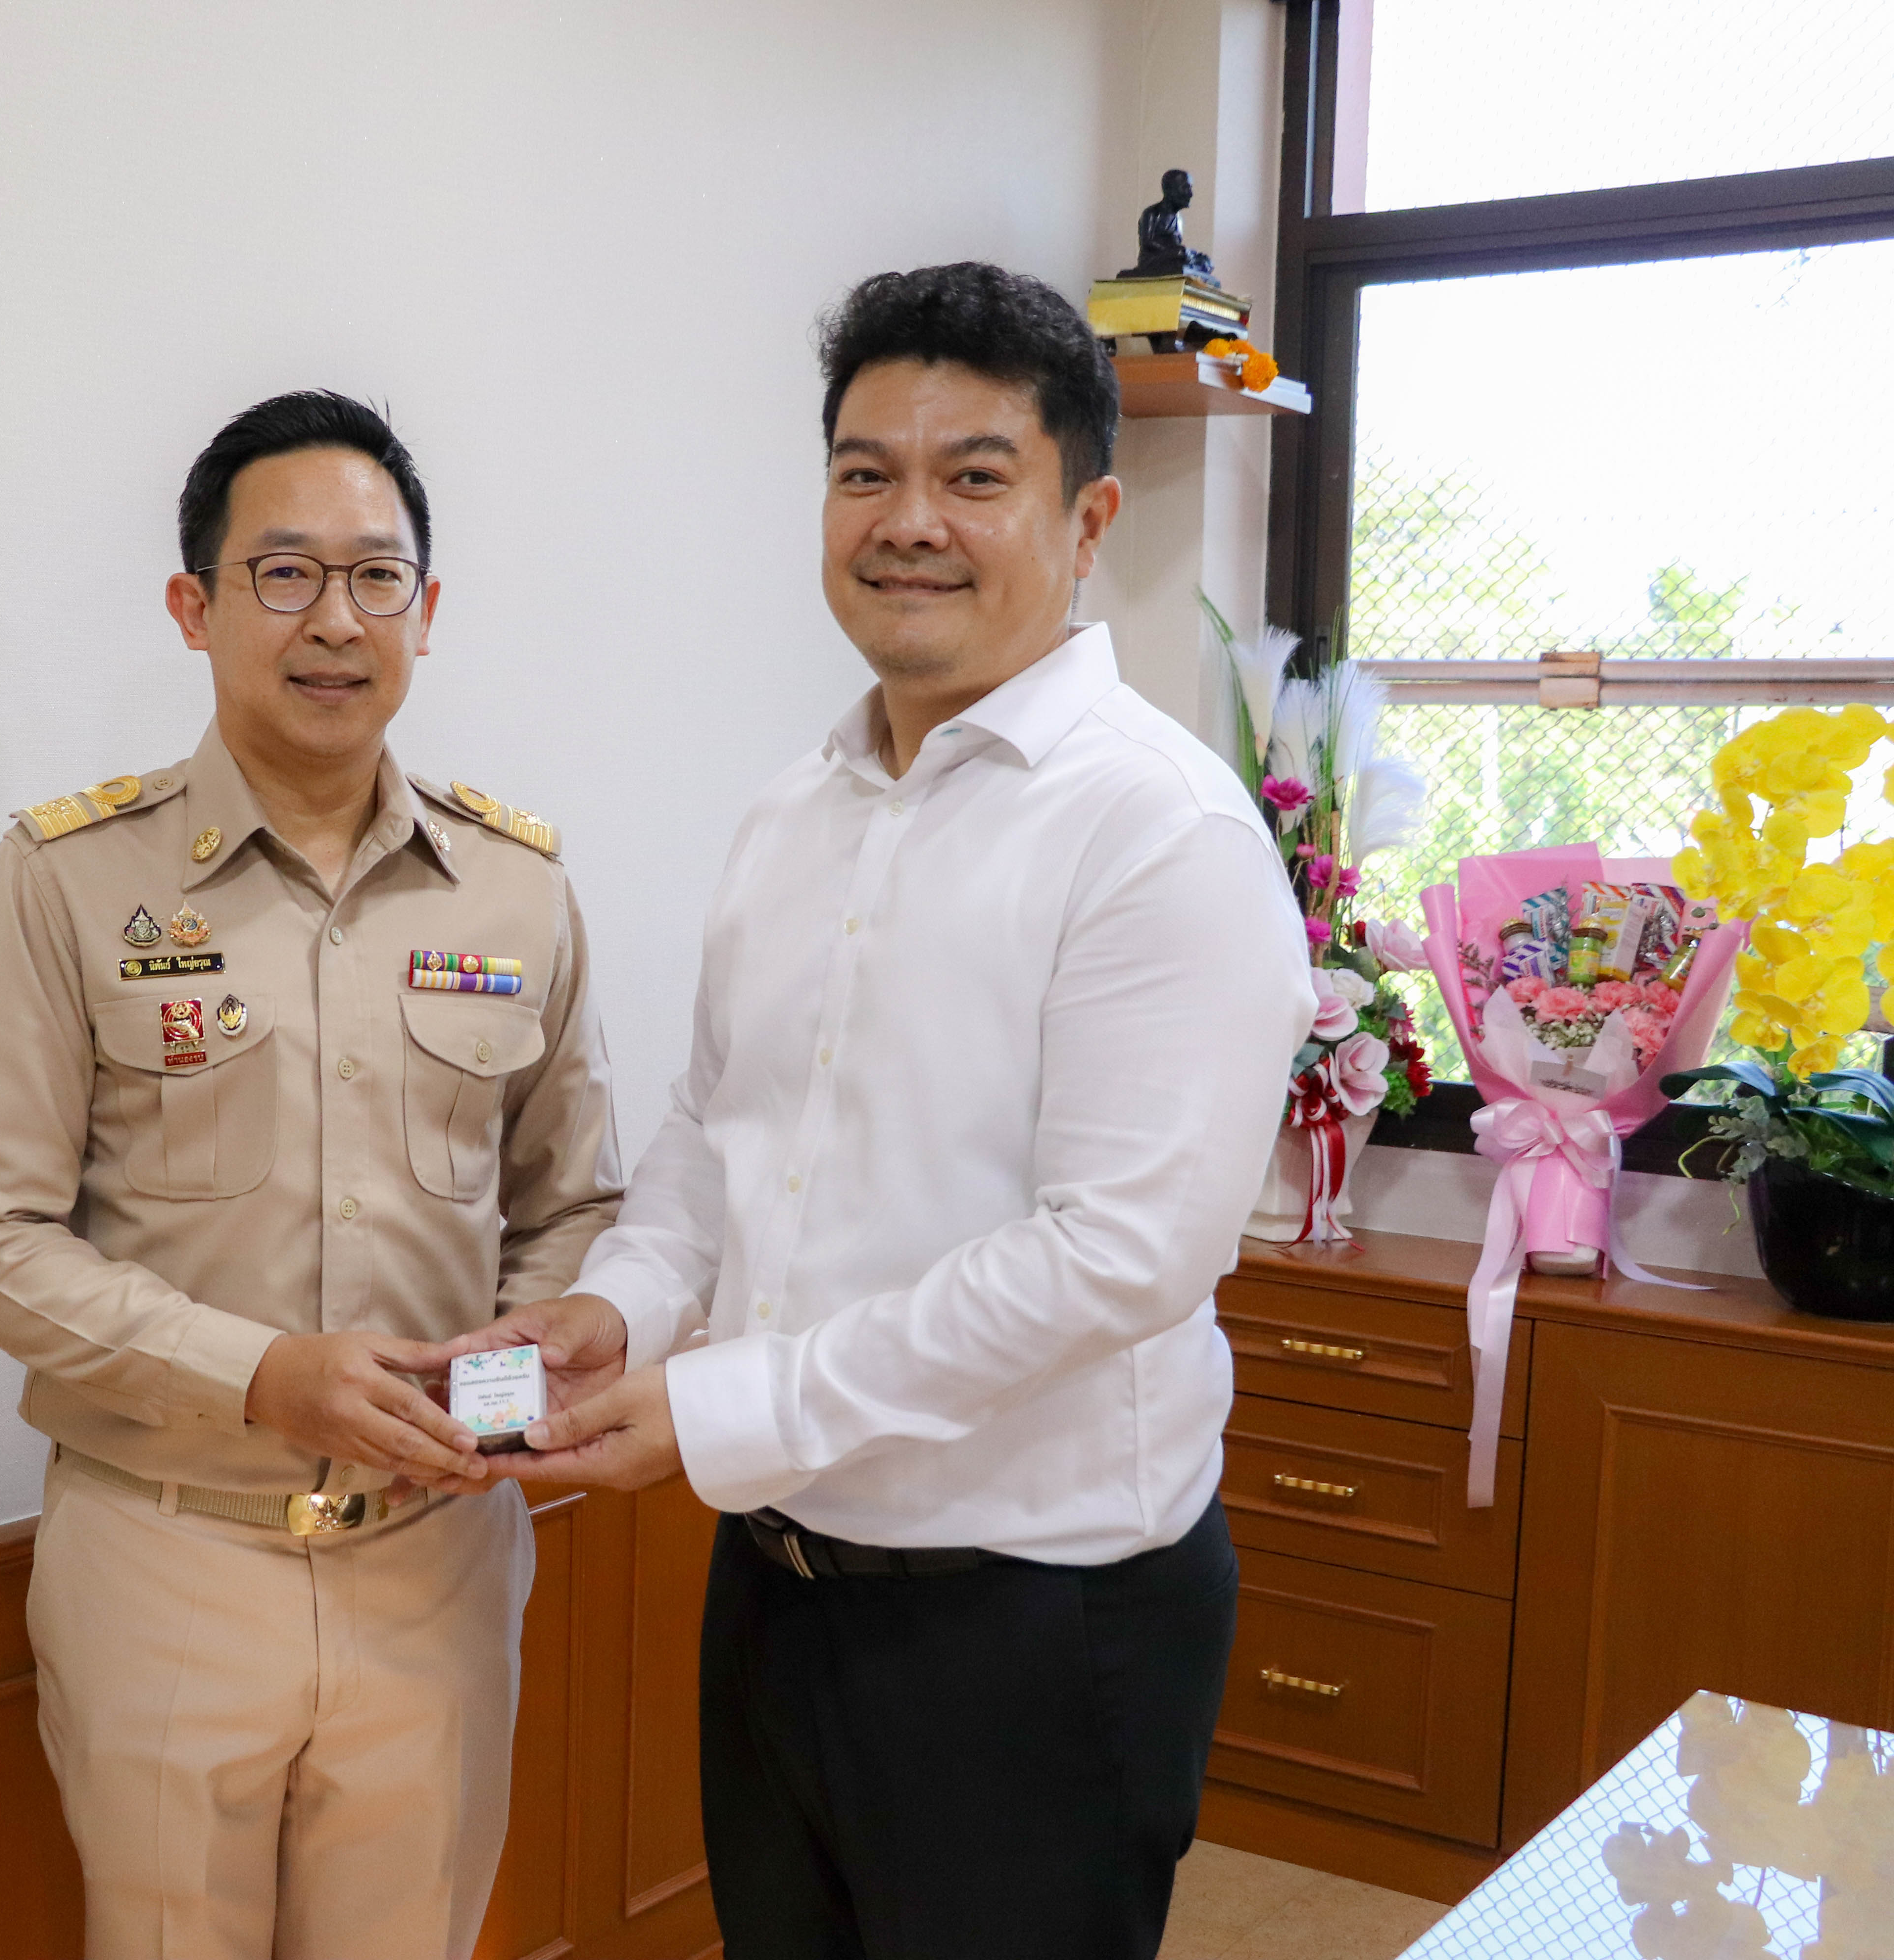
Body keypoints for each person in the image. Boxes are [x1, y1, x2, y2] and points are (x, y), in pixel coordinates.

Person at [434, 264, 1313, 1960]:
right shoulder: (797, 811)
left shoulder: (1161, 834)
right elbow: (717, 1131)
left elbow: (1119, 1256)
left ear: (1087, 519)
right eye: (865, 473)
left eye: (975, 476)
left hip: (1036, 1624)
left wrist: (732, 1405)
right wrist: (618, 1312)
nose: (909, 521)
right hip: (777, 1584)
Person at [0, 390, 622, 1960]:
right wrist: (260, 1376)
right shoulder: (67, 880)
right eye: (285, 573)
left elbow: (576, 1206)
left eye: (377, 577)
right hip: (168, 1550)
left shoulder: (515, 889)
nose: (336, 620)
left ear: (427, 612)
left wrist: (498, 1397)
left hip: (438, 1555)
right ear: (197, 607)